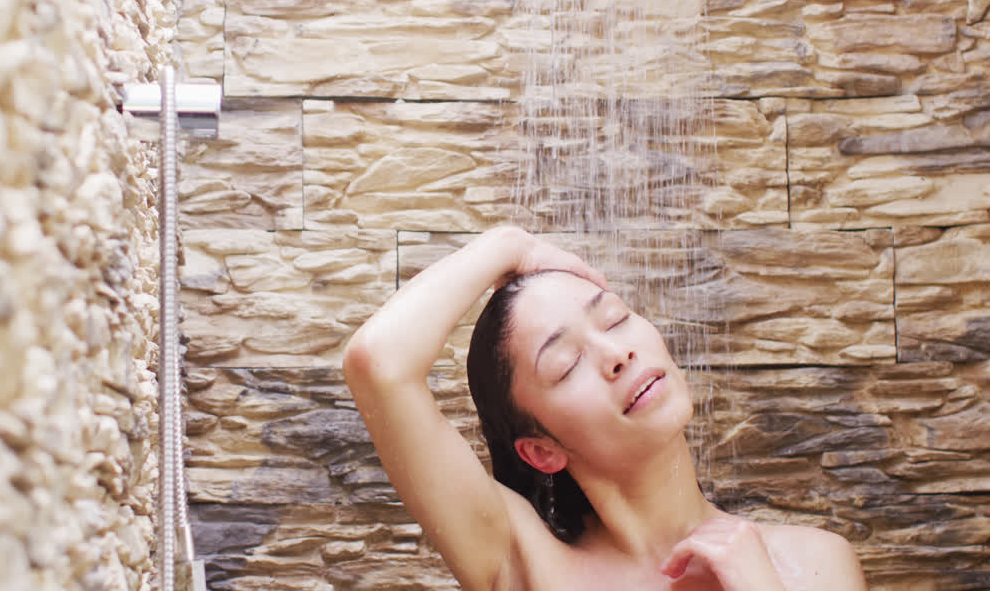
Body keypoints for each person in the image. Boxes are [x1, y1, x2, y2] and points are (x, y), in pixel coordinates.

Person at [343, 226, 867, 591]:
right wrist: (509, 245)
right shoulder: (524, 564)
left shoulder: (811, 565)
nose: (617, 355)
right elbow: (378, 362)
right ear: (542, 451)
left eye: (615, 319)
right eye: (568, 364)